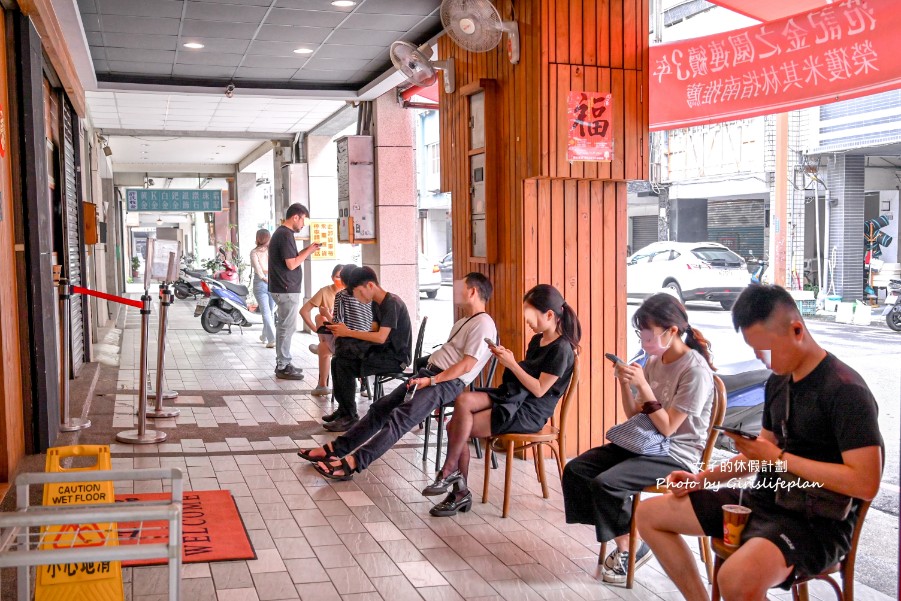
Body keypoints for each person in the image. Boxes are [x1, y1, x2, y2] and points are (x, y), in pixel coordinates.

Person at [636, 285, 883, 600]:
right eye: (754, 351)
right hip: (763, 501)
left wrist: (779, 459)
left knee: (734, 579)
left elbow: (865, 483)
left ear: (796, 329)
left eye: (765, 350)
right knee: (649, 515)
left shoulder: (845, 391)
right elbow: (758, 456)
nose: (761, 360)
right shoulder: (779, 381)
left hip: (816, 522)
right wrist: (700, 479)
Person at [561, 293, 715, 584]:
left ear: (672, 331)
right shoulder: (656, 360)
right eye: (640, 335)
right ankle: (629, 538)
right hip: (646, 442)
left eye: (648, 336)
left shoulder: (694, 370)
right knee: (576, 470)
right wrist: (625, 383)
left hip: (675, 453)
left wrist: (644, 385)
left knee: (607, 483)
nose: (644, 344)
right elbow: (636, 414)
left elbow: (669, 428)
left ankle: (632, 547)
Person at [297, 273, 498, 481]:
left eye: (459, 287)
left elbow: (467, 365)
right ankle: (335, 449)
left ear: (473, 291)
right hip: (430, 375)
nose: (455, 291)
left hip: (443, 382)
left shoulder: (483, 323)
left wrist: (431, 381)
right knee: (380, 409)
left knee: (399, 419)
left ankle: (351, 464)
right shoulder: (467, 320)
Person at [423, 284, 580, 517]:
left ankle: (456, 489)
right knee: (464, 400)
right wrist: (509, 360)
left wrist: (512, 364)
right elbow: (525, 380)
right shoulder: (538, 341)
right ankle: (452, 479)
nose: (527, 321)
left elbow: (539, 390)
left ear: (549, 314)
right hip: (515, 397)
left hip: (531, 412)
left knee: (453, 427)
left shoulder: (562, 349)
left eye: (530, 315)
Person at [321, 266, 412, 432]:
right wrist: (346, 334)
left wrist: (347, 332)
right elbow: (373, 331)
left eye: (359, 293)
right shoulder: (377, 303)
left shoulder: (391, 303)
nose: (359, 297)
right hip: (382, 351)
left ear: (370, 286)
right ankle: (344, 410)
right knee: (338, 358)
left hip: (395, 358)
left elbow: (380, 337)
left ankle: (350, 416)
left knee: (344, 365)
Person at [268, 203, 320, 380]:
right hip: (286, 288)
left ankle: (284, 362)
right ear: (295, 217)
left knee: (285, 326)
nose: (303, 224)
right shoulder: (284, 235)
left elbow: (292, 258)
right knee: (286, 327)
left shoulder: (283, 234)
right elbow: (292, 264)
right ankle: (282, 365)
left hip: (284, 287)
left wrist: (308, 249)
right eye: (303, 219)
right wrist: (308, 252)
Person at [300, 264, 345, 396]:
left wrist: (328, 315)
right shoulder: (325, 292)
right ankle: (322, 385)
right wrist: (315, 329)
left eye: (343, 277)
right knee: (320, 318)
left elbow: (342, 325)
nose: (340, 280)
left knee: (321, 319)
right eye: (337, 277)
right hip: (333, 336)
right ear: (332, 277)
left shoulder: (349, 295)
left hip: (347, 338)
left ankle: (322, 385)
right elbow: (303, 311)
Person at [250, 229, 277, 349]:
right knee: (268, 312)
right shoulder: (271, 251)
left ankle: (266, 336)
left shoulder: (254, 252)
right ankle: (272, 339)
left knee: (268, 312)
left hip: (262, 282)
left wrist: (264, 278)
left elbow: (257, 268)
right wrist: (268, 278)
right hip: (269, 280)